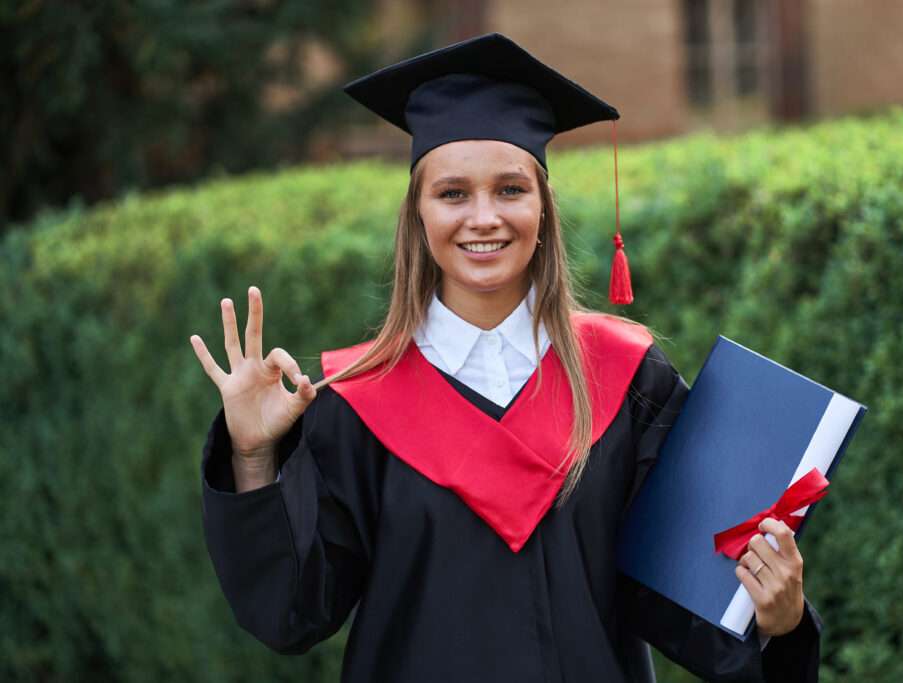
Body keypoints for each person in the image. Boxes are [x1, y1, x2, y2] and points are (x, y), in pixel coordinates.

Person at [189, 33, 822, 682]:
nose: (484, 216)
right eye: (453, 193)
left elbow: (682, 602)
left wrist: (778, 621)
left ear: (543, 208)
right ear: (418, 214)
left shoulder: (629, 379)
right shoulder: (357, 402)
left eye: (511, 189)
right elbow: (292, 612)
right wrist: (252, 455)